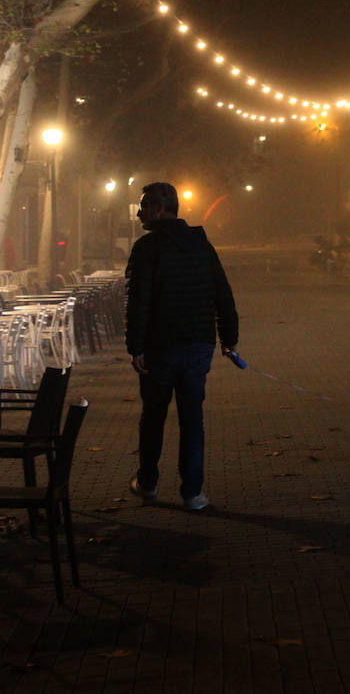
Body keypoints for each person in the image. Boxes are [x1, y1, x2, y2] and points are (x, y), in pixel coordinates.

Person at [125, 182, 239, 511]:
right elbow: (223, 294)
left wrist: (136, 346)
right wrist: (228, 339)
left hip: (160, 347)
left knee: (153, 417)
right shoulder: (202, 246)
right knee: (192, 419)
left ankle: (147, 483)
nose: (139, 212)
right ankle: (193, 493)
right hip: (197, 345)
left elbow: (138, 301)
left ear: (160, 209)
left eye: (144, 205)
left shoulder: (147, 248)